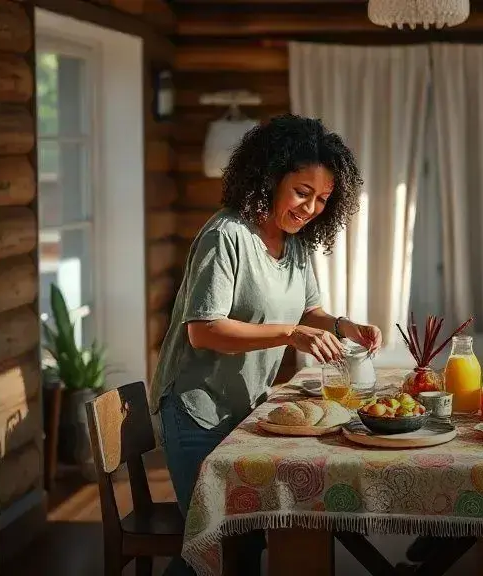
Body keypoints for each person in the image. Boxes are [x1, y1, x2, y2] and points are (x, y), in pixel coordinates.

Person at [150, 114, 383, 575]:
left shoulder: (295, 243)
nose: (311, 208)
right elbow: (204, 330)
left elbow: (308, 312)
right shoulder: (226, 236)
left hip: (246, 406)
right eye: (302, 192)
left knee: (249, 537)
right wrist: (290, 334)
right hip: (196, 410)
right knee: (216, 543)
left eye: (322, 199)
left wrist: (345, 326)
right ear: (271, 177)